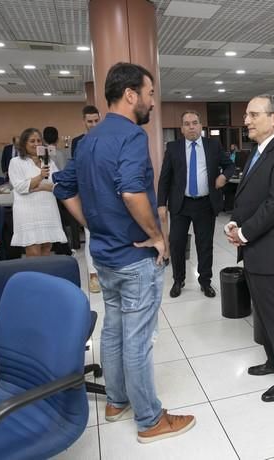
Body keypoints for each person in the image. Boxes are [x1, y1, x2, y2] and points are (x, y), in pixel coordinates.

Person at [53, 62, 195, 443]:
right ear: (130, 95)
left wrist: (92, 224)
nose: (151, 102)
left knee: (113, 330)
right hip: (134, 258)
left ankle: (116, 401)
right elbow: (132, 192)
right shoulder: (131, 137)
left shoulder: (87, 142)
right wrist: (158, 236)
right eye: (149, 94)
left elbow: (63, 189)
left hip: (105, 255)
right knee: (138, 339)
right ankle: (150, 420)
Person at [225, 94, 274, 402]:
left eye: (253, 114)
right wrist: (234, 223)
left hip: (272, 250)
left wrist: (244, 233)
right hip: (256, 248)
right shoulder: (257, 152)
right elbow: (249, 197)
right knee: (264, 312)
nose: (247, 120)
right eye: (247, 114)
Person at [157, 110, 234, 298]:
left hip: (205, 204)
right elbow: (164, 178)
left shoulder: (213, 145)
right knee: (176, 243)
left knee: (205, 245)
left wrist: (224, 176)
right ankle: (178, 280)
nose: (191, 126)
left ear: (200, 126)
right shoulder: (173, 148)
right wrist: (161, 203)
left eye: (195, 122)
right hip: (180, 205)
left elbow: (230, 165)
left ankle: (205, 281)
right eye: (187, 123)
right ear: (182, 128)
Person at [8, 128, 67, 257]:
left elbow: (56, 184)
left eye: (39, 140)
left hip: (47, 209)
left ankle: (45, 277)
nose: (36, 144)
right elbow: (21, 187)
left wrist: (38, 187)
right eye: (32, 141)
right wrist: (40, 177)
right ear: (24, 143)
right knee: (33, 251)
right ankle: (33, 277)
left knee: (47, 247)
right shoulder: (16, 162)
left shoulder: (48, 161)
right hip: (28, 211)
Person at [71, 105, 102, 293]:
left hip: (108, 195)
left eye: (96, 120)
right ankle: (93, 275)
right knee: (90, 235)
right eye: (89, 121)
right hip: (88, 195)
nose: (93, 124)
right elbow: (77, 170)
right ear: (84, 122)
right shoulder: (78, 142)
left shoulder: (110, 139)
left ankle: (108, 272)